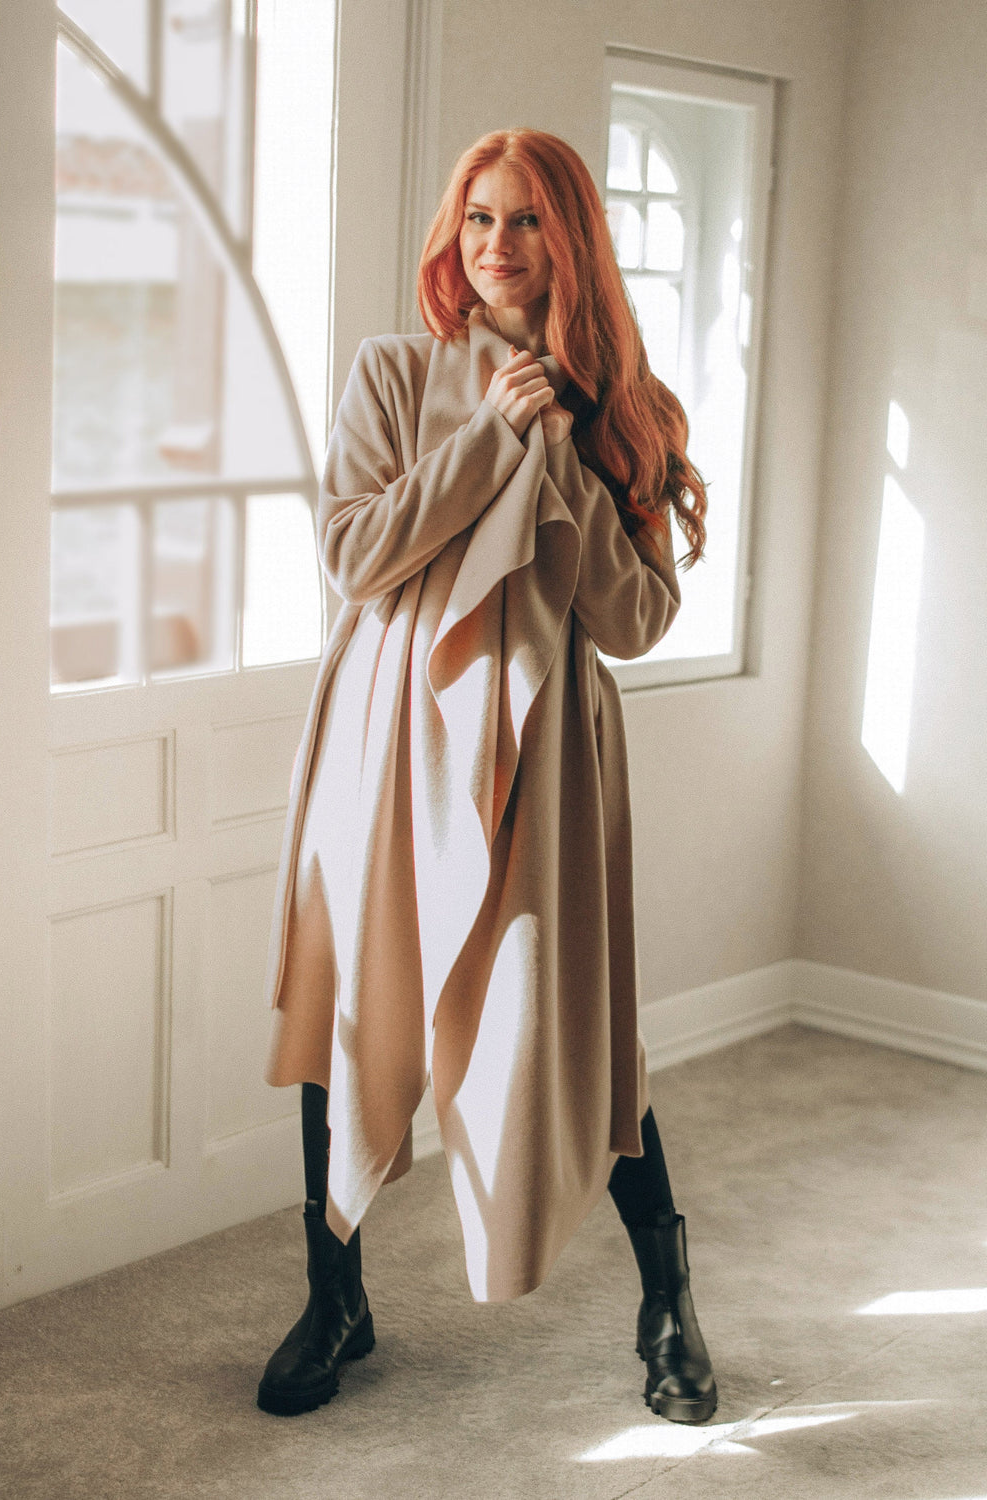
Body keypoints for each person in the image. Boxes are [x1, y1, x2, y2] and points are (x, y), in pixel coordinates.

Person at [255, 128, 715, 1426]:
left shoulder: (626, 408)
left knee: (576, 1023)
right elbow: (357, 555)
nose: (498, 246)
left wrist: (561, 447)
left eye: (524, 222)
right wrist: (479, 445)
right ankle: (334, 1295)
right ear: (454, 240)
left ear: (568, 240)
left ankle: (667, 1301)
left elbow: (631, 623)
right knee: (351, 1008)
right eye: (477, 220)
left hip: (548, 757)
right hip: (385, 737)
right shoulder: (393, 375)